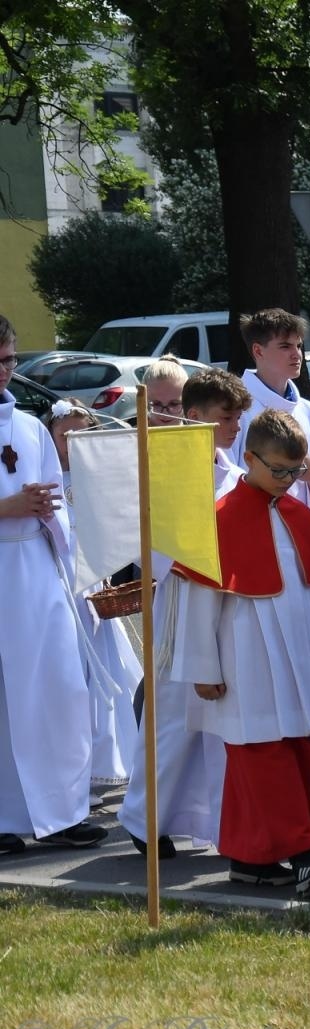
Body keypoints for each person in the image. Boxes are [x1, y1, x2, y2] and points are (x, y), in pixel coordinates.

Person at [169, 409, 310, 896]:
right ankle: (305, 854)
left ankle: (251, 860)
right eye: (278, 470)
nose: (287, 480)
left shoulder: (297, 514)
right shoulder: (217, 520)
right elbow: (198, 602)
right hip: (243, 661)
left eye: (295, 471)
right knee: (261, 757)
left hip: (295, 657)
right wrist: (201, 669)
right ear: (248, 458)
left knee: (296, 752)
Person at [119, 369, 250, 858]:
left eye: (239, 416)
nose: (236, 426)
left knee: (218, 722)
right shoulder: (166, 471)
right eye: (226, 417)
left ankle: (217, 819)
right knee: (172, 719)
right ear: (194, 417)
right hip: (180, 602)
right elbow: (148, 548)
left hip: (224, 605)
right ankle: (142, 817)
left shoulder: (236, 474)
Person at [229, 308, 310, 801]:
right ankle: (287, 767)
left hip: (299, 540)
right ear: (257, 352)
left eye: (298, 345)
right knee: (267, 660)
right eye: (284, 346)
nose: (296, 354)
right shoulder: (239, 406)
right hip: (257, 543)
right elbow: (232, 475)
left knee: (301, 650)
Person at [0, 314, 105, 854]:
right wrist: (8, 508)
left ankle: (64, 812)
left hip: (37, 573)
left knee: (59, 690)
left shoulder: (30, 426)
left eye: (10, 360)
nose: (5, 372)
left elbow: (56, 502)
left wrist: (45, 512)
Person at [47, 399, 142, 798]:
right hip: (54, 582)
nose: (73, 442)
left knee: (107, 673)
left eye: (82, 433)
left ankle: (110, 760)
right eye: (65, 434)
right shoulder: (42, 475)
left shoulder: (95, 478)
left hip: (91, 585)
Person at [145, 354, 190, 428]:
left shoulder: (198, 436)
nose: (165, 413)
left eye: (174, 404)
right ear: (144, 402)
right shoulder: (131, 437)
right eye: (156, 404)